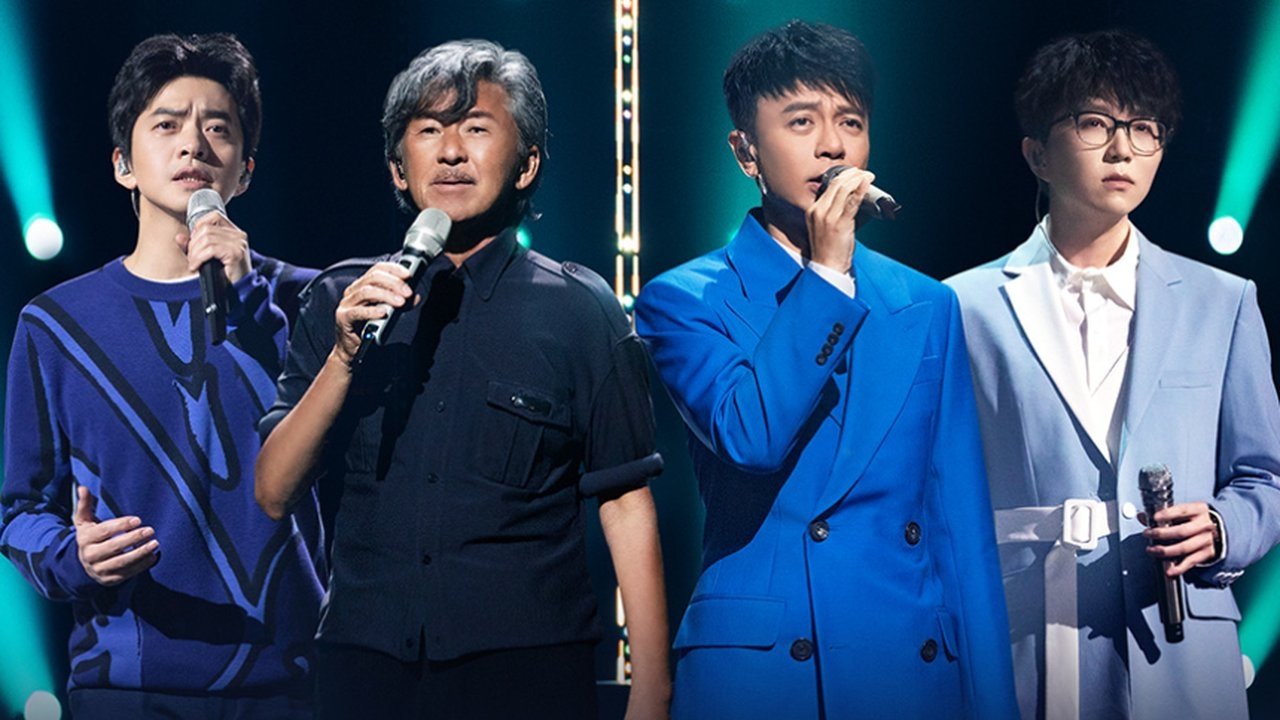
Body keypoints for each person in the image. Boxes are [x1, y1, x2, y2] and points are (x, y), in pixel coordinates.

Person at [254, 39, 670, 720]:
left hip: (527, 673)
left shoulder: (581, 310)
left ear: (527, 163)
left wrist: (653, 689)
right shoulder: (341, 299)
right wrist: (343, 357)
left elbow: (624, 498)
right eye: (428, 131)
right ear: (398, 168)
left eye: (476, 128)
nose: (450, 152)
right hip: (365, 669)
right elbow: (274, 491)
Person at [634, 19, 1017, 719]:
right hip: (763, 675)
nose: (833, 145)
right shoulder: (684, 300)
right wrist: (828, 276)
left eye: (851, 121)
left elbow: (960, 528)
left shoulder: (927, 305)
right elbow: (751, 436)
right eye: (801, 121)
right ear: (745, 151)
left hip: (903, 668)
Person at [946, 29, 1280, 720]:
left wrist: (1221, 527)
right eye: (1095, 123)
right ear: (1037, 154)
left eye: (1144, 128)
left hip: (1182, 648)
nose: (1123, 148)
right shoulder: (960, 306)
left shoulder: (1222, 302)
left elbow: (1265, 478)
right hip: (1024, 640)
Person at [0, 33, 323, 719]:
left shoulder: (308, 303)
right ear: (123, 164)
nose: (194, 145)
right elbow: (18, 511)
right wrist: (74, 555)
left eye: (219, 128)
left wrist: (251, 304)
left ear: (246, 171)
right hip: (127, 684)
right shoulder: (58, 325)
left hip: (287, 681)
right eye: (168, 125)